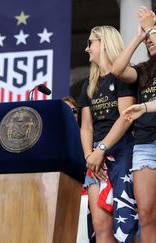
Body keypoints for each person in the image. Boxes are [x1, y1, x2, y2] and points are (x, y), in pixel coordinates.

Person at [78, 26, 137, 242]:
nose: (86, 49)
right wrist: (89, 157)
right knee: (99, 225)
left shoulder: (122, 76)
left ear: (105, 44)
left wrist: (101, 150)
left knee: (125, 223)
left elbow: (126, 117)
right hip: (95, 160)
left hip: (122, 153)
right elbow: (86, 127)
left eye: (91, 43)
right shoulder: (88, 84)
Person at [111, 6, 156, 242]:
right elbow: (117, 69)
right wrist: (139, 36)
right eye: (148, 38)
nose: (150, 40)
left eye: (153, 36)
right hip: (145, 144)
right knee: (147, 214)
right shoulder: (144, 70)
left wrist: (151, 26)